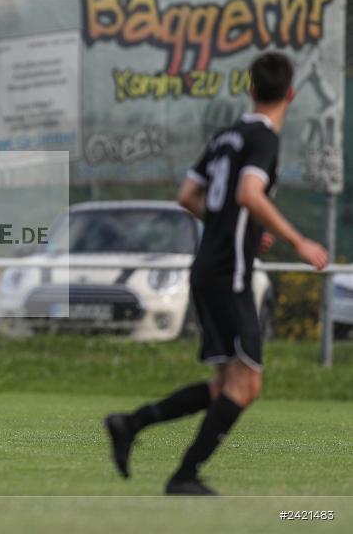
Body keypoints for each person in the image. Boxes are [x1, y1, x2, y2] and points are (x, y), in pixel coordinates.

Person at [104, 52, 329, 495]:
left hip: (207, 265)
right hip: (231, 273)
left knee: (225, 384)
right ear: (291, 94)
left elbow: (188, 195)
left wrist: (232, 225)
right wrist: (298, 241)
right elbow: (249, 193)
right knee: (246, 385)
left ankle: (130, 424)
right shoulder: (264, 139)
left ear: (249, 89)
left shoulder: (226, 135)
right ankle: (183, 476)